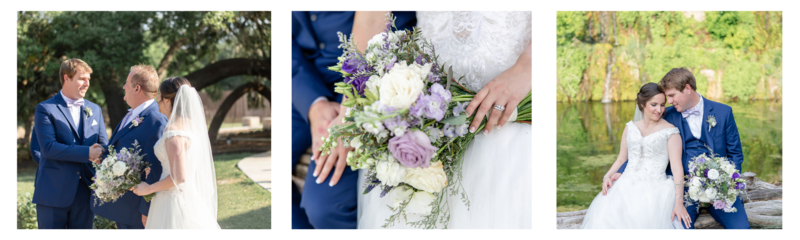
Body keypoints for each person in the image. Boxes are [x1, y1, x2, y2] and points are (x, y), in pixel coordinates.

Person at [353, 11, 533, 228]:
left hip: (511, 117)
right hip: (420, 118)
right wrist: (355, 107)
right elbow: (370, 19)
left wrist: (528, 67)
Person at [291, 11, 416, 229]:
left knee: (324, 206)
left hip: (372, 69)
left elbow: (372, 20)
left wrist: (351, 110)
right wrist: (313, 104)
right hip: (306, 78)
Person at [609, 68, 750, 229]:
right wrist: (619, 171)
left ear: (688, 89)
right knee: (678, 229)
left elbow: (735, 155)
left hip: (720, 188)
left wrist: (724, 184)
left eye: (671, 95)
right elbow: (645, 146)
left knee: (742, 229)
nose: (668, 102)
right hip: (683, 190)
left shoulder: (723, 112)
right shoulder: (665, 115)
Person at [580, 83, 690, 229]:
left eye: (662, 105)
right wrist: (607, 176)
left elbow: (677, 168)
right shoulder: (630, 128)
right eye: (654, 104)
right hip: (624, 186)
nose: (659, 110)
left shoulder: (670, 132)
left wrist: (679, 202)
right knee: (603, 219)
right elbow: (621, 158)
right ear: (642, 104)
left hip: (656, 191)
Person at [131, 77, 220, 229]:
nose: (157, 101)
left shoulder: (174, 132)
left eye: (159, 97)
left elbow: (179, 176)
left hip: (173, 202)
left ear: (167, 101)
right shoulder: (190, 127)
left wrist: (149, 188)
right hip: (186, 197)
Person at [33, 58, 108, 229]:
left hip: (85, 192)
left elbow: (104, 145)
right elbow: (48, 148)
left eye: (89, 79)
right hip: (53, 191)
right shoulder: (45, 109)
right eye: (82, 79)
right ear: (66, 78)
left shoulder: (94, 109)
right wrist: (87, 153)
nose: (87, 84)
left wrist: (101, 154)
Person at [90, 64, 167, 229]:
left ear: (137, 88)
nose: (124, 86)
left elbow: (156, 168)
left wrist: (146, 211)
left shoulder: (156, 120)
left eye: (127, 82)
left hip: (136, 213)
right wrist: (103, 156)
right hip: (123, 208)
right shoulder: (132, 114)